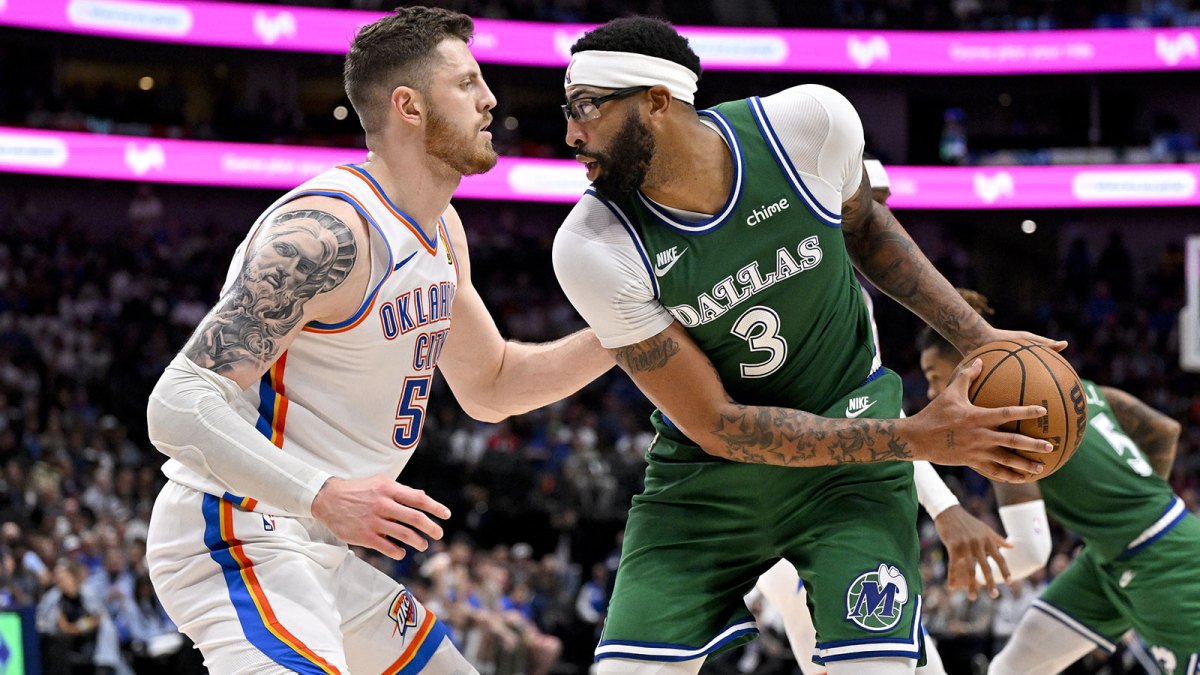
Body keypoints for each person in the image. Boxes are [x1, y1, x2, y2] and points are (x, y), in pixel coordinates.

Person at [552, 16, 1060, 675]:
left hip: (847, 469)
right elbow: (717, 424)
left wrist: (978, 336)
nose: (571, 133)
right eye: (568, 111)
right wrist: (916, 440)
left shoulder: (806, 126)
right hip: (708, 484)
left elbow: (868, 229)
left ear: (657, 99)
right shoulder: (592, 246)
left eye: (588, 107)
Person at [144, 7, 611, 674]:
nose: (490, 100)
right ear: (408, 106)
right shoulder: (327, 233)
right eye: (468, 83)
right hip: (236, 532)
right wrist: (325, 494)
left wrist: (627, 333)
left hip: (317, 548)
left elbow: (493, 381)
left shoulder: (442, 228)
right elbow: (178, 402)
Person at [750, 159, 1007, 675]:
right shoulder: (821, 296)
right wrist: (945, 508)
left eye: (884, 207)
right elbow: (865, 424)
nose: (880, 220)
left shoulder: (834, 289)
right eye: (869, 205)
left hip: (810, 516)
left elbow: (869, 420)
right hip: (805, 518)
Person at [918, 290, 1200, 675]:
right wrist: (1135, 496)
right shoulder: (1068, 386)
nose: (933, 393)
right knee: (1012, 670)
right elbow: (1164, 429)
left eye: (934, 377)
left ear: (964, 362)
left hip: (1166, 555)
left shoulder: (1004, 418)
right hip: (1105, 557)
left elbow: (1033, 550)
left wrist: (958, 580)